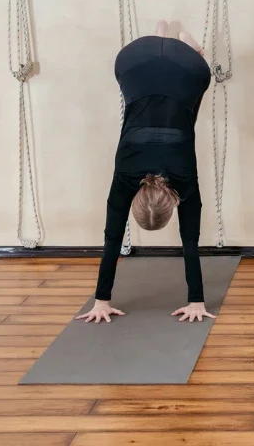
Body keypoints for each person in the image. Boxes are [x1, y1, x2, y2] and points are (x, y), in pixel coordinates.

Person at [78, 21, 215, 324]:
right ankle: (166, 39)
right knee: (179, 98)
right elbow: (113, 239)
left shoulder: (184, 180)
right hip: (133, 60)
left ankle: (182, 45)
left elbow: (189, 241)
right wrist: (101, 300)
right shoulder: (127, 175)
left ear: (173, 201)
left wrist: (197, 301)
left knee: (191, 98)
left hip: (181, 67)